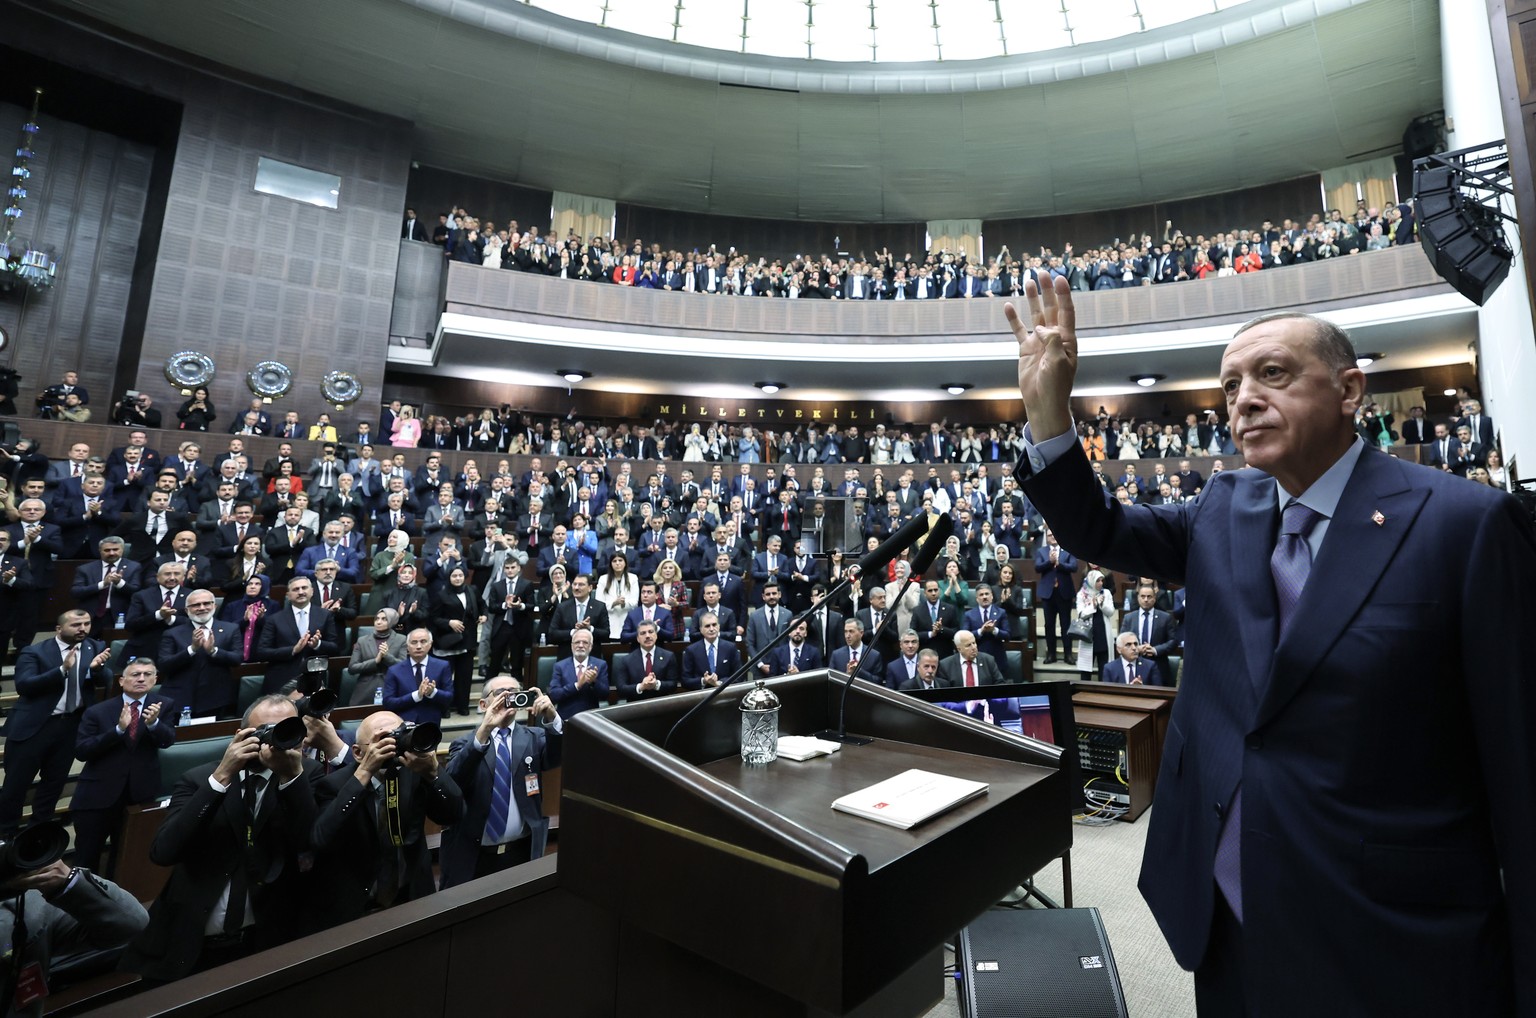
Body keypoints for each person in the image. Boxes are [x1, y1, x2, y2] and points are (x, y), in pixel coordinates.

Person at [1007, 276, 1536, 1014]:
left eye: (1273, 374)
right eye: (1230, 386)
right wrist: (1048, 415)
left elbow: (1520, 771)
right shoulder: (1224, 506)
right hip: (1227, 909)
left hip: (1383, 929)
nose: (1244, 398)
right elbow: (1098, 528)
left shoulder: (1467, 525)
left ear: (1350, 391)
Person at [121, 695, 317, 980]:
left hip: (268, 939)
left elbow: (310, 844)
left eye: (286, 729)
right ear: (241, 735)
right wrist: (222, 775)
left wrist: (291, 777)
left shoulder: (304, 777)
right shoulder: (199, 779)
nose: (275, 741)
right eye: (267, 731)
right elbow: (163, 852)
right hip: (190, 941)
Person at [308, 711, 464, 929]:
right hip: (358, 907)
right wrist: (363, 775)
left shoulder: (414, 773)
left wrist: (434, 772)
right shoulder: (336, 784)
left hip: (412, 897)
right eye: (382, 739)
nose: (392, 744)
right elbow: (320, 838)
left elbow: (454, 814)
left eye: (398, 736)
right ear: (357, 752)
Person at [440, 676, 562, 886]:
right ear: (483, 704)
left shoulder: (534, 737)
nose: (509, 698)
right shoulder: (466, 743)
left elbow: (557, 756)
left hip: (522, 851)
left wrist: (552, 717)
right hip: (475, 855)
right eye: (501, 694)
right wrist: (485, 730)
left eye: (514, 692)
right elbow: (453, 780)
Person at [0, 611, 113, 835]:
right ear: (59, 629)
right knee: (16, 786)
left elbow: (105, 681)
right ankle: (5, 834)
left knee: (53, 785)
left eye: (87, 624)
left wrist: (97, 670)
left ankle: (37, 835)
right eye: (76, 625)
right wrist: (61, 670)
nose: (83, 628)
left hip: (70, 726)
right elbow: (24, 685)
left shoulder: (94, 648)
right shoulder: (34, 651)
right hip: (34, 727)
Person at [70, 657, 178, 875]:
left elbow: (167, 741)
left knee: (126, 857)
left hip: (139, 793)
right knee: (86, 857)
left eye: (148, 674)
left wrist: (154, 724)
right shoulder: (98, 711)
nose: (141, 679)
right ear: (122, 681)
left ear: (155, 679)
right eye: (135, 674)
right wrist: (117, 731)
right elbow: (82, 751)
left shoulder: (163, 705)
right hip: (98, 794)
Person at [156, 587, 243, 717]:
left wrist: (213, 651)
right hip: (180, 699)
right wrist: (192, 649)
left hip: (216, 699)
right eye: (196, 605)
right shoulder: (172, 633)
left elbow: (237, 659)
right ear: (187, 610)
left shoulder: (230, 629)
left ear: (214, 605)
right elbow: (164, 665)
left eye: (206, 603)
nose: (202, 608)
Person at [254, 576, 340, 694]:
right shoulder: (274, 619)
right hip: (281, 679)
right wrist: (293, 650)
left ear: (312, 591)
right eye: (295, 589)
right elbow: (262, 652)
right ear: (288, 595)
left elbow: (335, 648)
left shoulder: (325, 615)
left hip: (314, 679)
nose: (300, 592)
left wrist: (317, 644)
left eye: (304, 588)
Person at [381, 629, 453, 726]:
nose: (418, 646)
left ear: (430, 644)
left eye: (423, 642)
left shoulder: (442, 666)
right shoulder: (395, 670)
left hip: (431, 725)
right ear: (407, 646)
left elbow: (449, 697)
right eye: (414, 642)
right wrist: (416, 695)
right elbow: (388, 702)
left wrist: (433, 692)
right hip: (403, 724)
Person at [1119, 581, 1178, 686]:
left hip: (1159, 666)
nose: (1146, 600)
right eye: (1143, 596)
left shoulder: (1165, 618)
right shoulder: (1129, 618)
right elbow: (1121, 641)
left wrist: (1155, 650)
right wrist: (1137, 649)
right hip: (1135, 666)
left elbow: (1173, 641)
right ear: (1138, 598)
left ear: (1154, 598)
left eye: (1149, 596)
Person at [346, 608, 407, 706]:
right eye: (377, 619)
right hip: (365, 689)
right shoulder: (362, 641)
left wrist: (387, 656)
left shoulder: (401, 640)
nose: (379, 622)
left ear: (392, 621)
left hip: (391, 687)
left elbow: (404, 667)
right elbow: (352, 668)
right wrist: (375, 661)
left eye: (384, 619)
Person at [548, 629, 608, 719]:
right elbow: (554, 695)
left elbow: (605, 694)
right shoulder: (560, 666)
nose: (580, 645)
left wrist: (594, 682)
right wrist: (577, 685)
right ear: (572, 646)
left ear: (590, 646)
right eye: (577, 642)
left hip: (591, 718)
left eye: (585, 642)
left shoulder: (600, 665)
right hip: (566, 718)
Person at [1072, 569, 1115, 678]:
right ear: (1091, 581)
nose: (1101, 583)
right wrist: (1093, 606)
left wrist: (1101, 605)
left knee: (1104, 668)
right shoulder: (1082, 594)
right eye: (1098, 581)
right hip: (1088, 634)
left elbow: (1111, 612)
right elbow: (1081, 614)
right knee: (1086, 671)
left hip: (1102, 634)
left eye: (1102, 580)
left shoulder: (1106, 593)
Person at [937, 629, 1003, 687]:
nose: (973, 647)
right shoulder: (945, 665)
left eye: (974, 643)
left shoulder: (988, 660)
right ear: (959, 649)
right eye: (968, 645)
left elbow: (1000, 683)